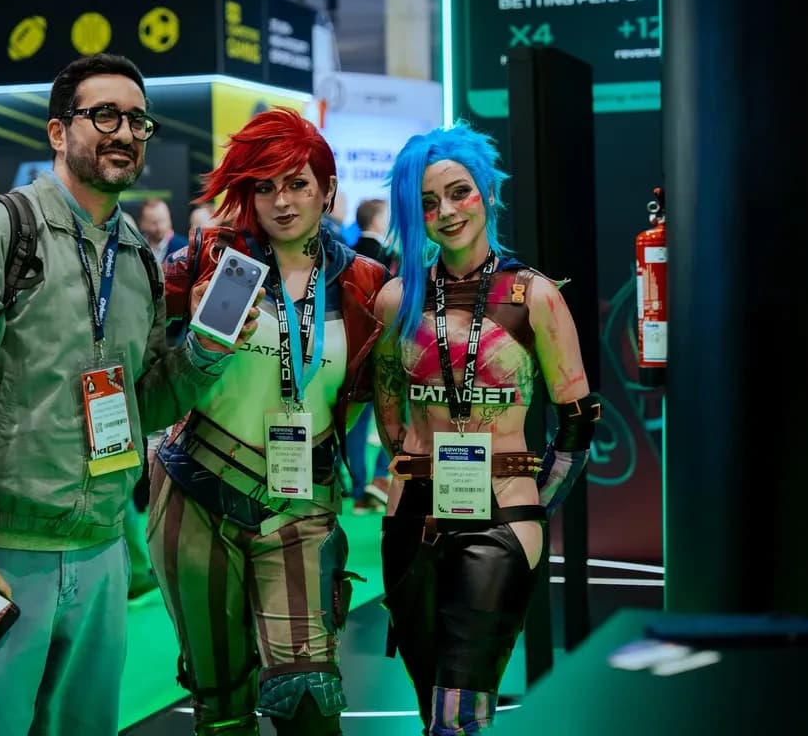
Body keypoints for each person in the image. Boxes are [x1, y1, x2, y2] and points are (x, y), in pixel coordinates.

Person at [0, 53, 257, 736]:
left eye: (138, 120)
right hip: (1, 552)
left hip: (100, 554)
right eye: (104, 115)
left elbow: (141, 404)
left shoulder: (136, 255)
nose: (124, 132)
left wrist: (204, 353)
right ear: (58, 131)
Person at [149, 107, 388, 736]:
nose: (281, 201)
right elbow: (131, 337)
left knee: (310, 702)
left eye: (297, 184)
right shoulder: (211, 257)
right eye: (265, 186)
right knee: (220, 707)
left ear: (327, 189)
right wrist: (191, 334)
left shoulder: (364, 280)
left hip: (301, 500)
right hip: (195, 494)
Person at [372, 123, 600, 735]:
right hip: (411, 519)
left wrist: (531, 503)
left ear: (488, 194)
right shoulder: (398, 299)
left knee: (459, 719)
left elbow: (577, 422)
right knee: (432, 709)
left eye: (459, 193)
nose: (446, 212)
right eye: (428, 203)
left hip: (503, 516)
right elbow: (390, 416)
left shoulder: (534, 296)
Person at [346, 197, 394, 513]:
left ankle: (359, 487)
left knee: (355, 421)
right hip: (383, 350)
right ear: (377, 220)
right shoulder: (387, 259)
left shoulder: (346, 255)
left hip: (350, 350)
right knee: (394, 415)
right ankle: (378, 479)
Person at [139, 197, 189, 262]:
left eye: (163, 221)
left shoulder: (184, 248)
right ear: (142, 223)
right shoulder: (137, 247)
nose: (159, 227)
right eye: (154, 223)